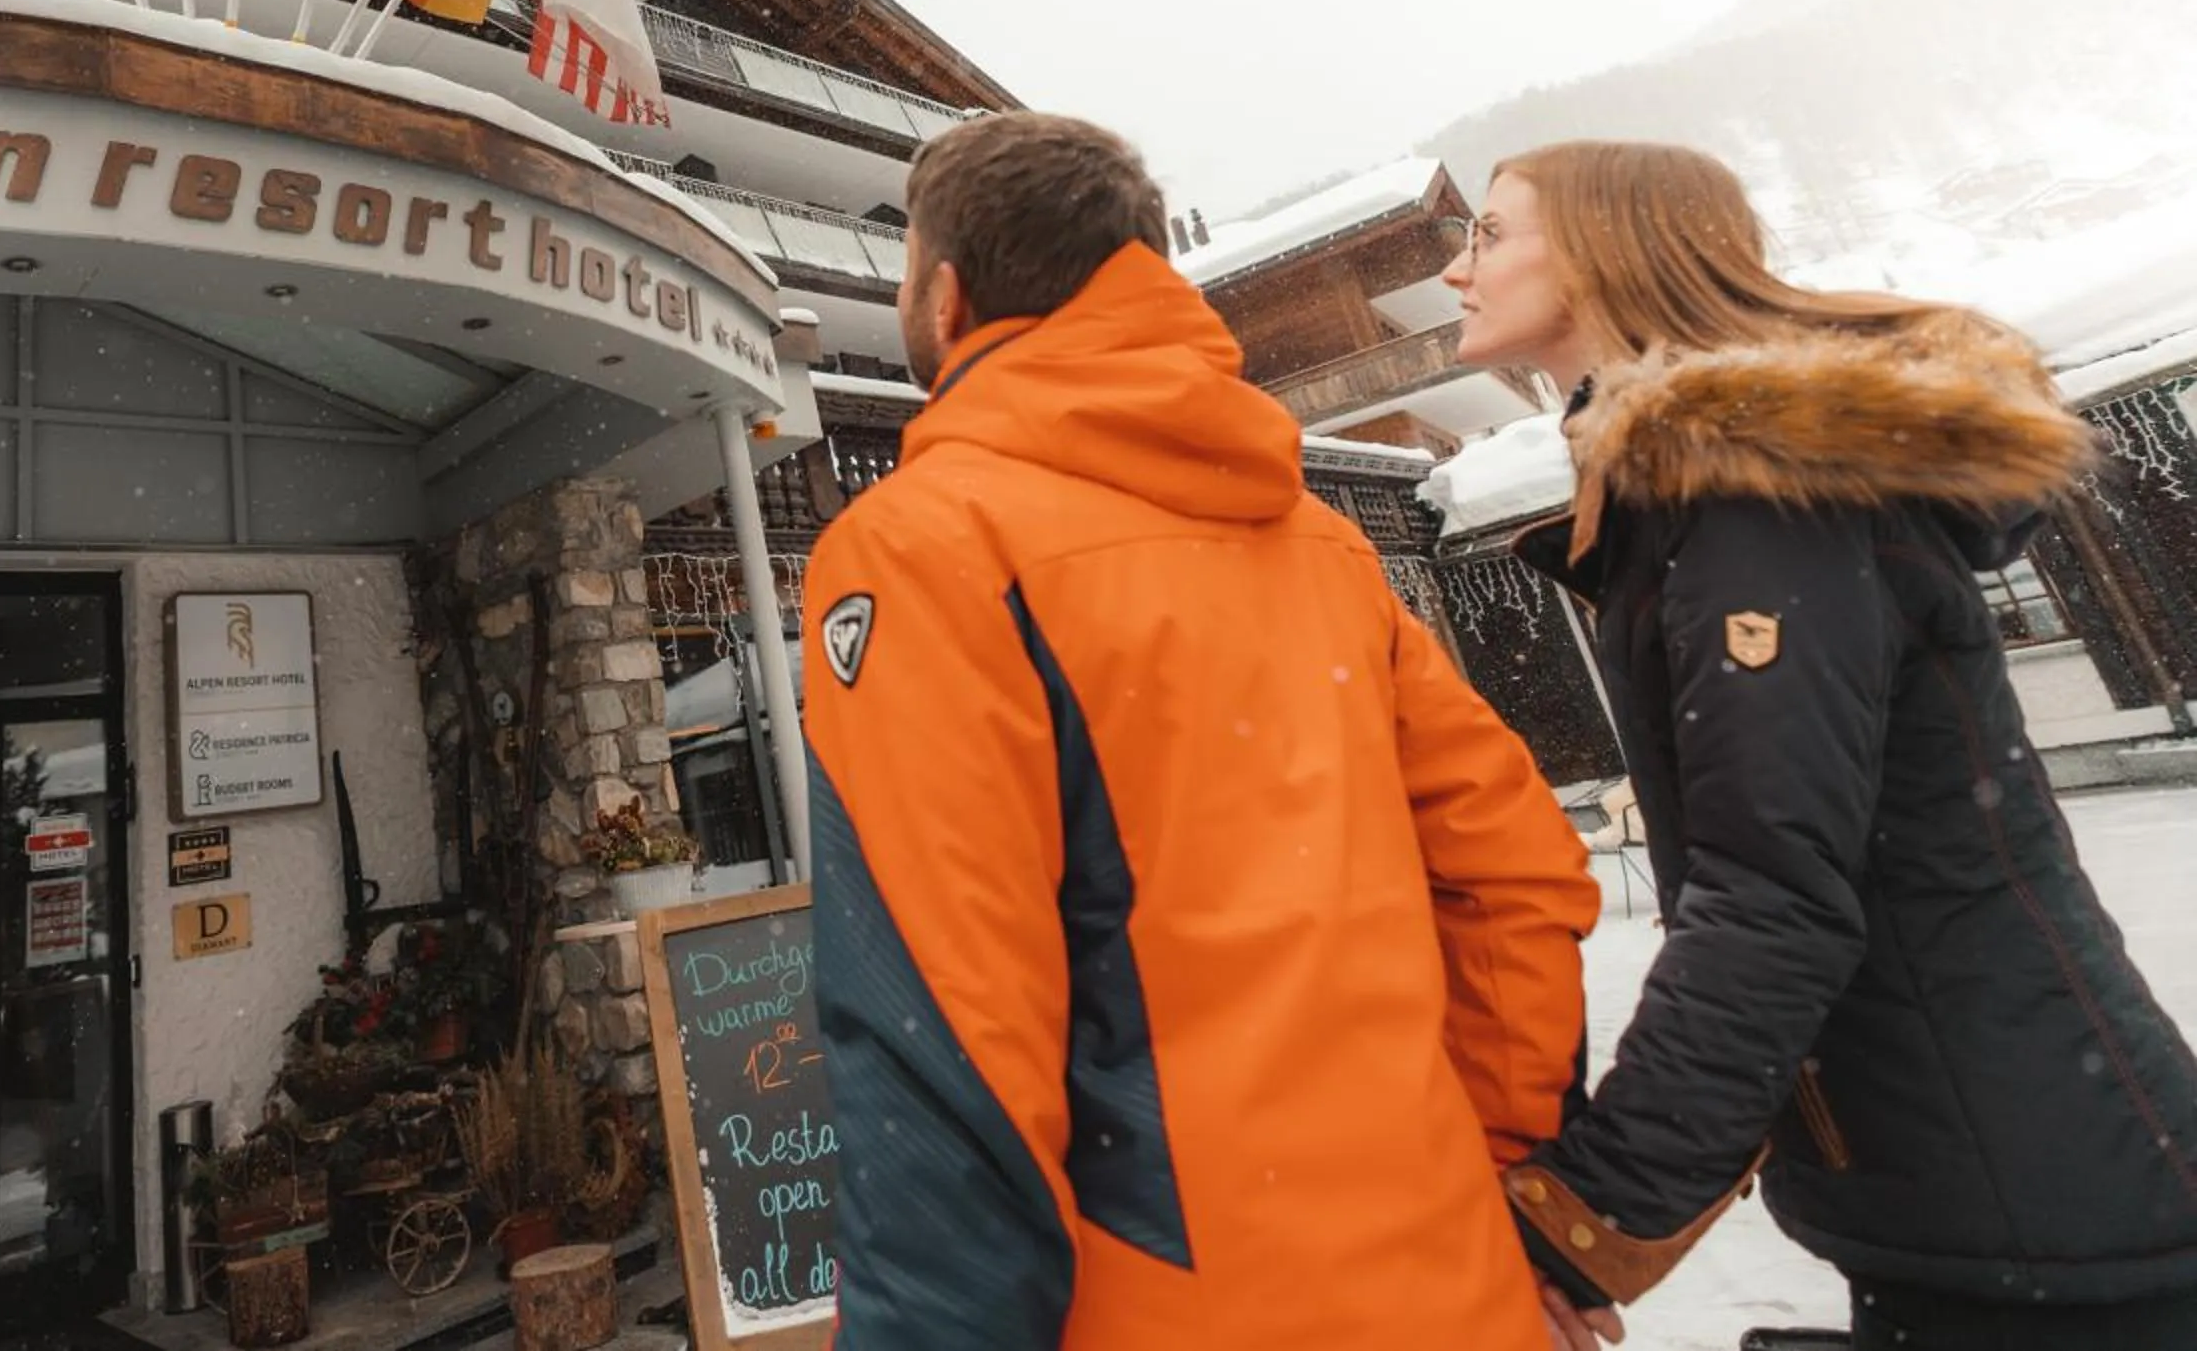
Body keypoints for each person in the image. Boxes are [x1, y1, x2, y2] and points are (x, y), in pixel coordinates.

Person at [802, 111, 1601, 1350]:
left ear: (946, 297)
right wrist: (1494, 1167)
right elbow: (1515, 875)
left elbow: (943, 1041)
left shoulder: (923, 547)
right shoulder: (1325, 548)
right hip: (1449, 1284)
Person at [1446, 140, 2197, 1351]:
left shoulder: (1757, 502)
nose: (1453, 267)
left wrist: (1583, 1217)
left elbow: (1771, 898)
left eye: (1488, 232)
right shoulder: (1697, 495)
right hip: (1969, 1192)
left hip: (2033, 1206)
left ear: (1602, 248)